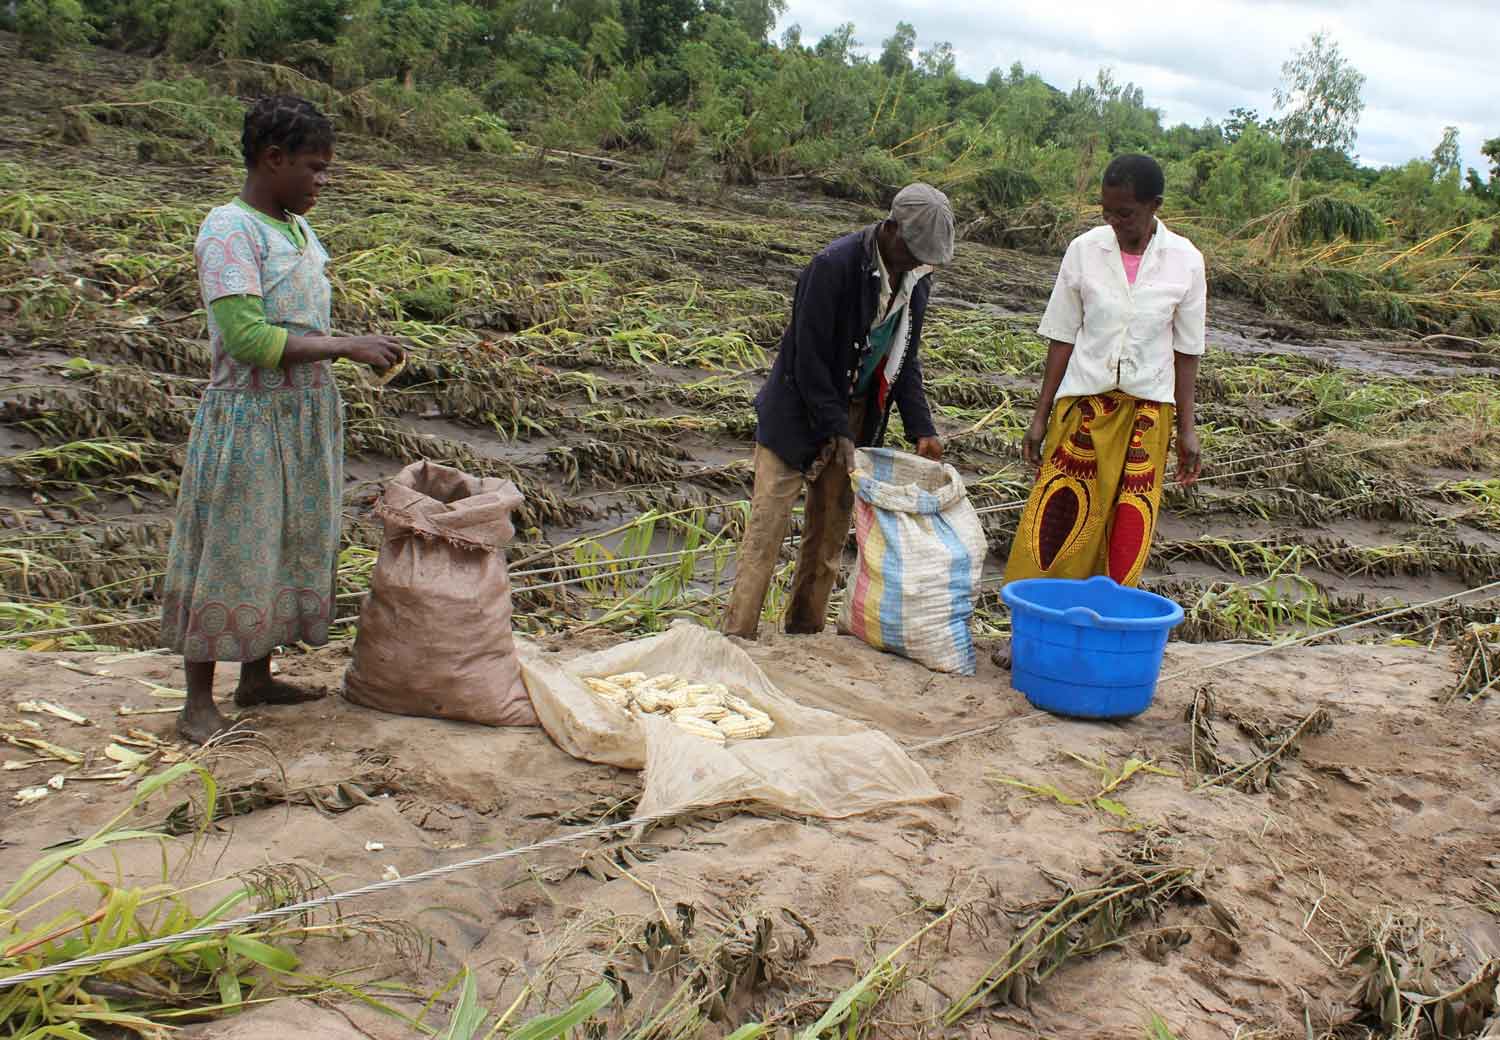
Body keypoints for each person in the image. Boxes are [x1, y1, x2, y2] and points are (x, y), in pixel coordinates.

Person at [160, 96, 405, 744]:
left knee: (286, 542)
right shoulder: (228, 231)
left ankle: (257, 678)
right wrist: (347, 346)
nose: (324, 181)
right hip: (250, 417)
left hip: (304, 416)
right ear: (273, 160)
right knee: (234, 550)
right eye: (314, 168)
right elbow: (246, 337)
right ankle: (196, 704)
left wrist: (340, 351)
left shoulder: (297, 231)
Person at [722, 183, 955, 639]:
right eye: (912, 252)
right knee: (765, 536)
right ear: (890, 230)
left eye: (924, 258)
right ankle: (737, 639)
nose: (915, 263)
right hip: (796, 412)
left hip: (856, 416)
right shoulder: (833, 266)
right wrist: (836, 432)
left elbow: (904, 359)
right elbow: (807, 360)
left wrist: (921, 427)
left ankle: (804, 636)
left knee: (829, 537)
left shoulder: (916, 280)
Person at [1004, 154, 1204, 588]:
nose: (1114, 221)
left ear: (1155, 205)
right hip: (1083, 405)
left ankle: (1097, 636)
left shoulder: (1185, 261)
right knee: (1056, 521)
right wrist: (1040, 415)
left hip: (1148, 414)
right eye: (1106, 211)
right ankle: (1030, 627)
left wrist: (1188, 428)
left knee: (1125, 531)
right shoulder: (1084, 250)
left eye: (1125, 213)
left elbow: (1187, 352)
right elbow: (1062, 334)